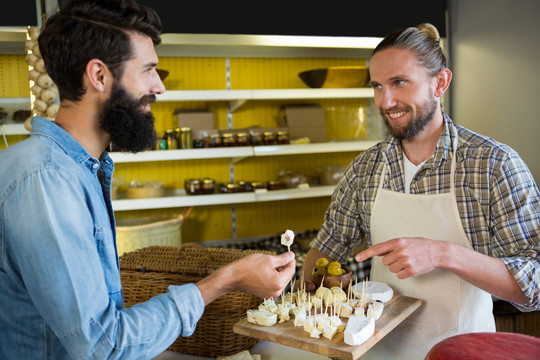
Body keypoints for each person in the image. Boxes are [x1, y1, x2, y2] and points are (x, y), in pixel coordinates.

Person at [0, 1, 296, 359]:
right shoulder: (47, 180)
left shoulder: (76, 168)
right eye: (148, 70)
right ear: (99, 76)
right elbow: (103, 347)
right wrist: (225, 281)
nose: (159, 87)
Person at [300, 23, 540, 359]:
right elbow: (324, 252)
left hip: (462, 351)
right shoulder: (365, 170)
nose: (385, 101)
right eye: (377, 86)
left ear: (440, 82)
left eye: (399, 82)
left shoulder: (494, 165)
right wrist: (321, 283)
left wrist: (444, 254)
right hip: (377, 351)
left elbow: (534, 287)